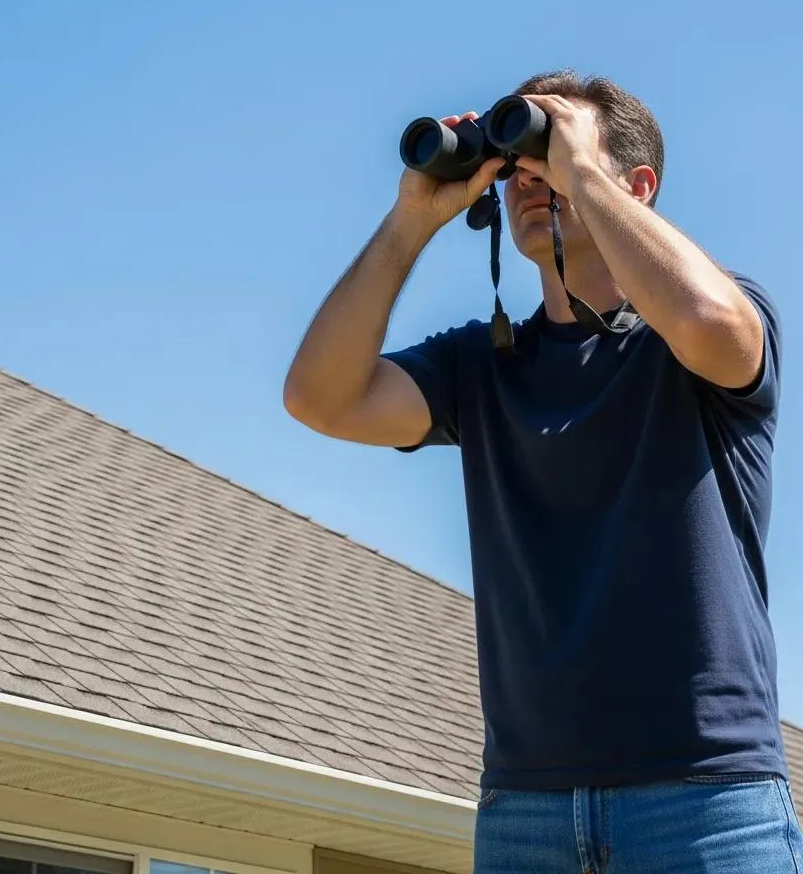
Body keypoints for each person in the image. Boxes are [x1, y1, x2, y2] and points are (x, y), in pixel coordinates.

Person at [283, 70, 802, 872]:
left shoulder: (716, 323)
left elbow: (708, 323)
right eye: (523, 164)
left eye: (550, 158)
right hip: (527, 810)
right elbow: (320, 397)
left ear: (637, 185)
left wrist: (582, 173)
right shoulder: (482, 367)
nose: (534, 179)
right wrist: (411, 220)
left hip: (704, 802)